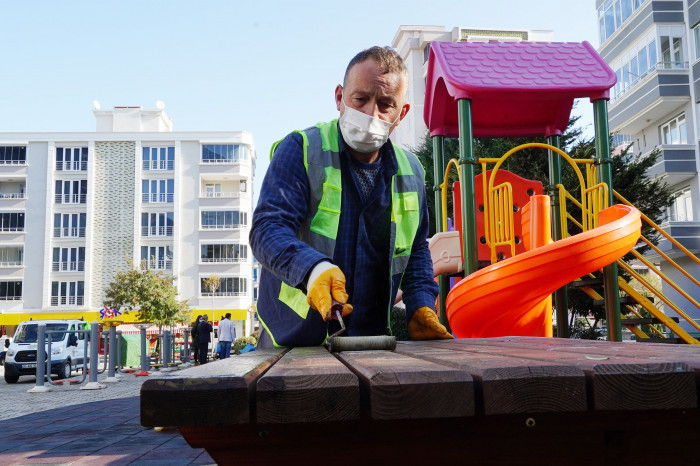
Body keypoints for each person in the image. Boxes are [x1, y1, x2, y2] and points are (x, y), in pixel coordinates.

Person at [250, 46, 453, 348]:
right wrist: (312, 268)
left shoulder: (410, 170)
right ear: (339, 98)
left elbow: (416, 252)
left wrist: (420, 304)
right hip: (295, 339)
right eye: (360, 99)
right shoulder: (301, 149)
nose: (371, 114)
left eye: (386, 104)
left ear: (403, 113)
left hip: (371, 340)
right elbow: (267, 230)